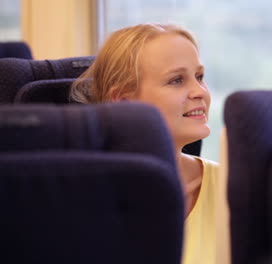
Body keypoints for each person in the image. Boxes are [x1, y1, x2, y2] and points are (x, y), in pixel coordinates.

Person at [70, 23, 228, 264]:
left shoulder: (232, 187)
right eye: (176, 80)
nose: (200, 92)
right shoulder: (80, 201)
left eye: (199, 77)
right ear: (123, 101)